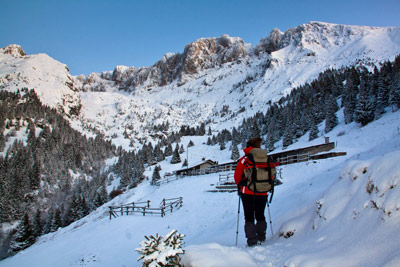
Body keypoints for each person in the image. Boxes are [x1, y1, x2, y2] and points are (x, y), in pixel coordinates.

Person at [234, 137, 269, 246]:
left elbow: (237, 177)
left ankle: (252, 241)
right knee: (260, 214)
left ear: (248, 146)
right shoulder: (265, 158)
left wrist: (240, 185)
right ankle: (261, 237)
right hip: (263, 191)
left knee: (249, 216)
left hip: (247, 192)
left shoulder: (245, 159)